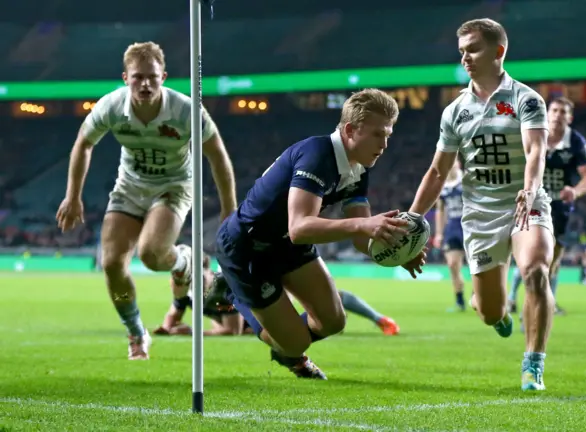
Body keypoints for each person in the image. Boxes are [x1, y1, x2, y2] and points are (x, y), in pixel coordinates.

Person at [215, 88, 425, 379]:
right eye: (378, 134)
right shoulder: (317, 156)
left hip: (286, 244)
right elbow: (300, 227)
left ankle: (286, 346)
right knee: (296, 343)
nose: (385, 143)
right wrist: (363, 225)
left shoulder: (358, 169)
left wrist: (396, 250)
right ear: (350, 130)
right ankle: (230, 294)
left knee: (333, 321)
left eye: (388, 134)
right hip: (248, 246)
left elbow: (362, 238)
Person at [55, 42, 237, 360]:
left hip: (174, 187)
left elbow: (217, 155)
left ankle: (183, 262)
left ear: (163, 76)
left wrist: (228, 208)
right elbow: (83, 144)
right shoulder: (111, 106)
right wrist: (73, 196)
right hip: (129, 188)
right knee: (111, 263)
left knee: (151, 255)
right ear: (125, 78)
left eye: (152, 77)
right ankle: (136, 332)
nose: (145, 84)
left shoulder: (184, 110)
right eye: (138, 77)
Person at [408, 19, 554, 391]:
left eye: (472, 49)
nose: (465, 58)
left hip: (526, 203)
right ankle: (495, 311)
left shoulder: (525, 99)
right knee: (490, 312)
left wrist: (531, 188)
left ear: (498, 51)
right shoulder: (455, 111)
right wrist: (412, 219)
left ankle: (533, 364)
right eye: (462, 52)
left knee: (536, 271)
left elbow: (536, 149)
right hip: (480, 215)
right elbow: (438, 172)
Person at [508, 97, 586, 315]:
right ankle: (516, 300)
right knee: (531, 257)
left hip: (559, 207)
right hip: (532, 203)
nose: (558, 115)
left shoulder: (576, 142)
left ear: (570, 118)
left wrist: (575, 191)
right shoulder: (533, 134)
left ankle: (547, 302)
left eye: (563, 112)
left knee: (552, 262)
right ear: (547, 113)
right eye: (554, 110)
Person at [154, 260, 401, 336]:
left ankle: (379, 319)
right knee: (322, 304)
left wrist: (192, 332)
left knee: (325, 297)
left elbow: (231, 330)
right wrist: (167, 328)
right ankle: (328, 317)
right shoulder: (186, 294)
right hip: (259, 317)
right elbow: (172, 317)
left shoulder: (221, 285)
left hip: (268, 299)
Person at [433, 159, 466, 312]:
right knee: (452, 264)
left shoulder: (466, 180)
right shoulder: (442, 186)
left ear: (458, 164)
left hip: (469, 224)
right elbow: (440, 210)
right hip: (452, 226)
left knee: (476, 264)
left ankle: (478, 295)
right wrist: (439, 233)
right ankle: (459, 301)